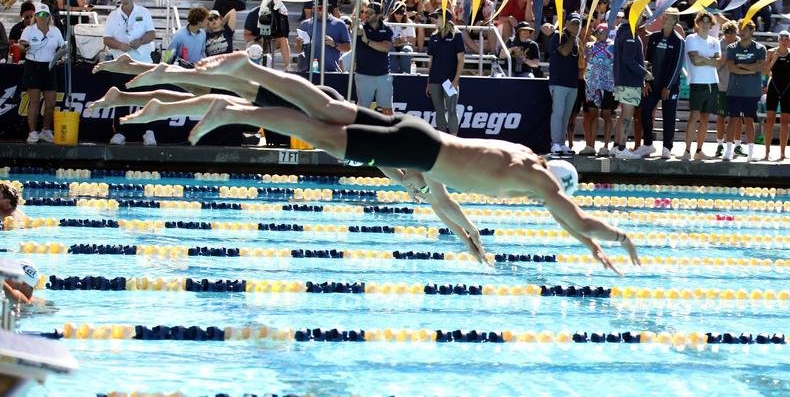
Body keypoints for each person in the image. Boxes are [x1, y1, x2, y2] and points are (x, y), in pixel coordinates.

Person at [114, 52, 641, 275]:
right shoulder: (538, 182)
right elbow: (574, 218)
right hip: (419, 152)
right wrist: (615, 237)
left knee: (324, 106)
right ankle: (231, 108)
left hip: (420, 137)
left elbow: (444, 201)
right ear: (556, 182)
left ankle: (247, 70)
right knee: (317, 132)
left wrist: (469, 237)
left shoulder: (522, 157)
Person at [102, 0, 157, 146]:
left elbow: (152, 34)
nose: (124, 0)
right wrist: (120, 45)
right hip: (122, 63)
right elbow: (106, 39)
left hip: (142, 62)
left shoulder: (144, 12)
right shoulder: (113, 16)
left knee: (146, 98)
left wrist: (140, 41)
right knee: (120, 98)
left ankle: (148, 131)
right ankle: (120, 132)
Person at [639, 7, 684, 159]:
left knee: (669, 115)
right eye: (664, 17)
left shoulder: (679, 41)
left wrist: (668, 87)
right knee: (645, 110)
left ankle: (667, 147)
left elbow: (678, 66)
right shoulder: (654, 37)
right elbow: (647, 61)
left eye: (668, 18)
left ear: (675, 22)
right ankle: (648, 144)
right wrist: (646, 81)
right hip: (653, 83)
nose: (664, 19)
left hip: (669, 86)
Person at [19, 3, 66, 145]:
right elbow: (21, 46)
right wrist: (23, 47)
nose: (42, 17)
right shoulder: (29, 30)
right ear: (35, 16)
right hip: (33, 66)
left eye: (45, 15)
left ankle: (46, 130)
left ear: (49, 17)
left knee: (51, 102)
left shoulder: (55, 30)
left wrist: (63, 51)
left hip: (49, 66)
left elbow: (62, 46)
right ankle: (32, 132)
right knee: (34, 101)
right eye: (39, 14)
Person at [722, 20, 765, 162]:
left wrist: (741, 65)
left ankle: (751, 152)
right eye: (740, 28)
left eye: (745, 29)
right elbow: (731, 67)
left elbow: (759, 68)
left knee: (749, 120)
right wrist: (749, 69)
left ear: (752, 31)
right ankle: (728, 151)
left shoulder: (760, 48)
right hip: (734, 90)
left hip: (752, 91)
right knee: (733, 119)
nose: (741, 31)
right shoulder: (732, 48)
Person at [611, 4, 649, 160]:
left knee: (623, 116)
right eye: (641, 14)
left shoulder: (622, 31)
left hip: (622, 79)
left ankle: (616, 146)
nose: (643, 18)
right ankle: (621, 148)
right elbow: (628, 59)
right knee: (627, 115)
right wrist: (645, 73)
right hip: (629, 81)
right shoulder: (630, 34)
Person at [683, 11, 722, 161]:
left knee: (705, 118)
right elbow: (694, 61)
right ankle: (687, 150)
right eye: (702, 21)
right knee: (694, 116)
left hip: (712, 83)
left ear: (711, 24)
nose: (705, 24)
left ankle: (699, 150)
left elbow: (718, 63)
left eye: (708, 22)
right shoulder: (691, 38)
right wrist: (710, 59)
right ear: (697, 23)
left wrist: (703, 58)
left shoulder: (715, 41)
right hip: (697, 83)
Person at [426, 9, 465, 135]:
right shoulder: (433, 36)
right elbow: (431, 62)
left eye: (436, 17)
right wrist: (428, 82)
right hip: (435, 80)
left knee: (452, 111)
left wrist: (455, 80)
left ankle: (453, 141)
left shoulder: (457, 35)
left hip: (450, 81)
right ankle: (443, 141)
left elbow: (461, 60)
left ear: (444, 19)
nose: (434, 20)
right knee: (439, 111)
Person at [549, 12, 581, 156]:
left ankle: (562, 143)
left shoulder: (576, 39)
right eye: (573, 23)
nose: (576, 26)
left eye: (578, 23)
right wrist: (574, 36)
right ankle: (555, 143)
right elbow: (564, 52)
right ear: (566, 23)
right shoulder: (558, 35)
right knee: (558, 113)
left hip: (572, 83)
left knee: (566, 115)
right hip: (559, 82)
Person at [354, 2, 394, 115]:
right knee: (362, 110)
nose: (366, 15)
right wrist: (354, 23)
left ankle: (389, 132)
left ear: (379, 15)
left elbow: (386, 47)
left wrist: (367, 41)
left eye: (370, 13)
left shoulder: (387, 29)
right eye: (365, 12)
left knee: (388, 110)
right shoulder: (361, 27)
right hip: (363, 74)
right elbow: (356, 27)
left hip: (383, 75)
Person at [582, 23, 615, 156]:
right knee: (593, 114)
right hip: (592, 84)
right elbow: (586, 61)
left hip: (608, 84)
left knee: (606, 114)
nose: (600, 34)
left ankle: (606, 146)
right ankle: (591, 145)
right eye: (598, 31)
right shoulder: (589, 46)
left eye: (603, 31)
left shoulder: (613, 46)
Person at [762, 30, 790, 161]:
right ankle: (766, 152)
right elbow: (765, 71)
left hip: (787, 88)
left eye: (787, 39)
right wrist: (773, 60)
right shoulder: (771, 52)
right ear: (778, 40)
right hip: (774, 88)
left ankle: (782, 153)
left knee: (785, 122)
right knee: (770, 121)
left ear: (789, 41)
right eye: (782, 39)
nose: (784, 41)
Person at [295, 0, 351, 73]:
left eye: (319, 8)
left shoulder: (339, 24)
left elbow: (348, 48)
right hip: (308, 71)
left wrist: (334, 44)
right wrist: (298, 46)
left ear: (326, 8)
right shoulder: (305, 25)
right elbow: (299, 51)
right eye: (314, 8)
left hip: (331, 71)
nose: (316, 11)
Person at [715, 21, 742, 158]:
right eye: (727, 32)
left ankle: (737, 145)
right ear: (724, 33)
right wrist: (722, 62)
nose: (730, 35)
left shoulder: (742, 44)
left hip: (738, 87)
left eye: (733, 32)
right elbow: (714, 67)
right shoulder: (718, 45)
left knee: (737, 117)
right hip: (722, 86)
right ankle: (720, 144)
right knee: (721, 116)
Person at [244, 0, 292, 70]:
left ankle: (288, 67)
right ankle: (250, 67)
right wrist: (258, 38)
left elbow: (284, 34)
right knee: (251, 44)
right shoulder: (253, 14)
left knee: (283, 39)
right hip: (257, 42)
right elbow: (246, 35)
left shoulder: (280, 14)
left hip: (272, 42)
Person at [388, 1, 417, 74]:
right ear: (393, 12)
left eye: (401, 13)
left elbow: (412, 38)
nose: (398, 15)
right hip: (391, 45)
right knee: (390, 49)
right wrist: (393, 41)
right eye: (396, 12)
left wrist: (404, 39)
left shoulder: (408, 22)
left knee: (407, 49)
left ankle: (405, 73)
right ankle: (392, 73)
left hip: (404, 45)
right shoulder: (387, 22)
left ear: (404, 13)